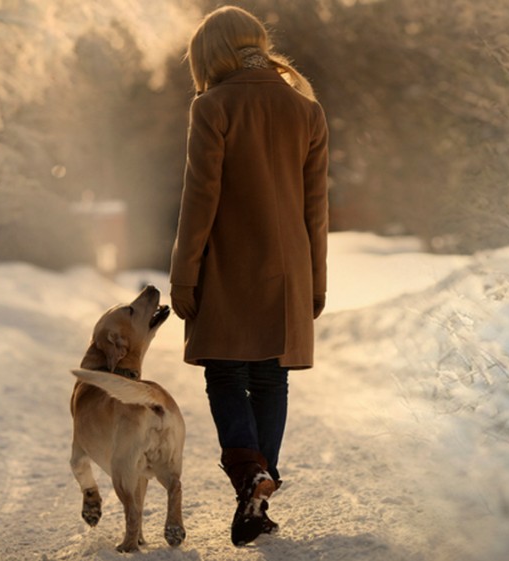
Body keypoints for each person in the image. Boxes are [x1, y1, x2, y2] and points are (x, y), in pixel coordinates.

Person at [168, 5, 329, 547]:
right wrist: (318, 280)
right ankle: (256, 492)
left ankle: (249, 477)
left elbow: (200, 198)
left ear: (210, 54)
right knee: (269, 378)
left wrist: (184, 275)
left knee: (223, 375)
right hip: (289, 270)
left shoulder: (212, 106)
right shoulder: (305, 109)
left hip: (228, 265)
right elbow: (315, 208)